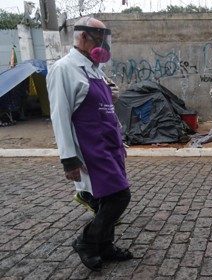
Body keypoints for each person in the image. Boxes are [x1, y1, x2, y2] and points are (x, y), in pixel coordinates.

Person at [47, 16, 132, 271]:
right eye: (98, 38)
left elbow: (103, 108)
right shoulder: (64, 69)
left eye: (105, 39)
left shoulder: (94, 68)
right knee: (119, 197)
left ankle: (105, 247)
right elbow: (59, 116)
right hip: (90, 148)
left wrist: (119, 139)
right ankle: (87, 241)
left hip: (109, 145)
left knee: (108, 198)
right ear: (82, 38)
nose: (103, 45)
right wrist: (69, 158)